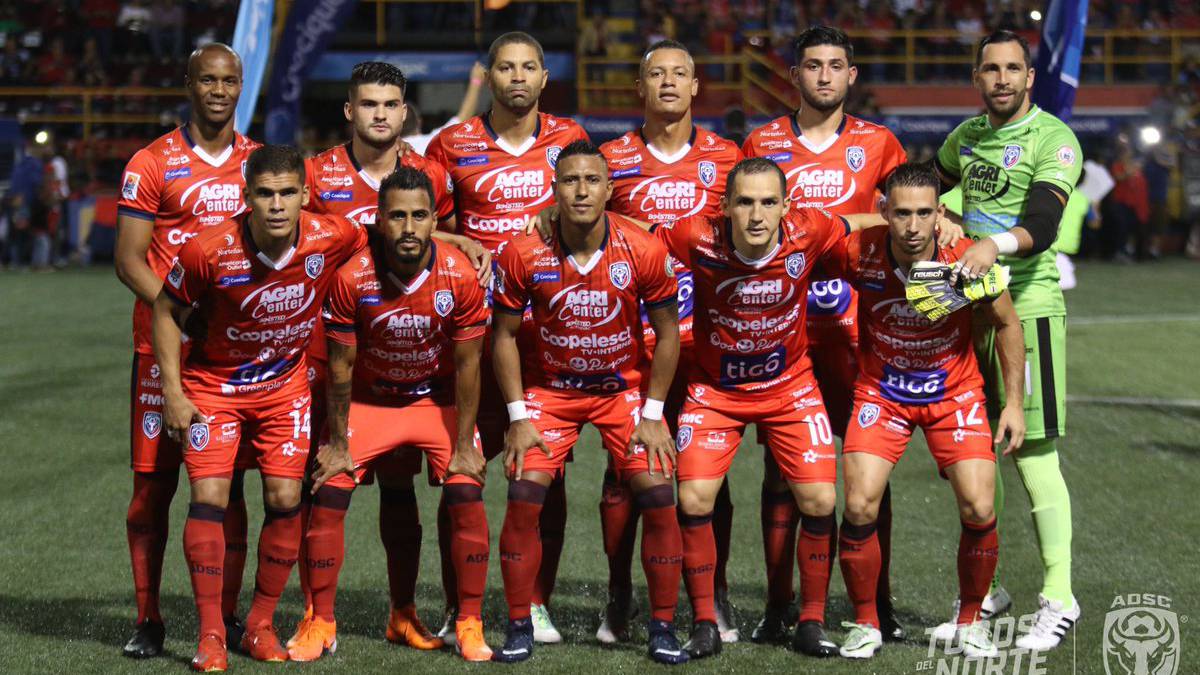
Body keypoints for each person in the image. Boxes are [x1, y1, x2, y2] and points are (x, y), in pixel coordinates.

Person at [291, 61, 491, 658]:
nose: (380, 113)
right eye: (368, 104)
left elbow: (440, 241)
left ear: (404, 112)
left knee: (402, 488)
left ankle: (405, 611)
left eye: (391, 104)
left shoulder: (429, 173)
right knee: (318, 485)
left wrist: (460, 242)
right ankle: (314, 615)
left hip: (410, 360)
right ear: (350, 111)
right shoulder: (316, 173)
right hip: (324, 355)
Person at [656, 158, 893, 659]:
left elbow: (862, 221)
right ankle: (703, 622)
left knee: (821, 502)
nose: (757, 214)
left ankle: (809, 621)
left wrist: (922, 221)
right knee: (695, 499)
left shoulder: (810, 229)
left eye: (768, 202)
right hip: (715, 390)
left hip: (789, 388)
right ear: (724, 207)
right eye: (744, 202)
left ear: (787, 206)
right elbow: (633, 236)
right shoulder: (694, 235)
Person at [152, 144, 366, 671]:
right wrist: (174, 394)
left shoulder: (330, 235)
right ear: (247, 197)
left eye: (287, 193)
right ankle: (211, 636)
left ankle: (260, 624)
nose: (276, 204)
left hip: (284, 387)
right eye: (265, 194)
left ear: (305, 195)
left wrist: (453, 239)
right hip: (214, 387)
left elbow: (383, 237)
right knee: (209, 497)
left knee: (285, 497)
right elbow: (163, 309)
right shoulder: (210, 249)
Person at [491, 140, 688, 665]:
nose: (581, 190)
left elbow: (667, 335)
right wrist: (517, 417)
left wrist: (652, 415)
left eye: (592, 180)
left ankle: (662, 626)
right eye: (570, 181)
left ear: (609, 189)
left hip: (621, 393)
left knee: (658, 495)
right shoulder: (522, 252)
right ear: (553, 189)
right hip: (550, 393)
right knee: (523, 493)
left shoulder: (642, 248)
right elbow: (503, 337)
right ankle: (519, 622)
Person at [741, 25, 908, 645]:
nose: (824, 76)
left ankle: (877, 602)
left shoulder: (880, 144)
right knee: (781, 474)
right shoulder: (761, 142)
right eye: (813, 65)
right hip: (782, 334)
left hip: (859, 333)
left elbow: (902, 220)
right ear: (795, 75)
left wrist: (827, 224)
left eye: (837, 65)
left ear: (852, 75)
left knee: (867, 475)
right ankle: (780, 604)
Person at [425, 31, 590, 643]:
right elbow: (428, 226)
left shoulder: (570, 139)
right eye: (505, 67)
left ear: (545, 78)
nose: (517, 77)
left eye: (528, 68)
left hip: (545, 337)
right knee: (460, 472)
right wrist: (459, 242)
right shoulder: (451, 144)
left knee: (546, 477)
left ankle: (536, 601)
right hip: (469, 335)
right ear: (488, 76)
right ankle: (455, 605)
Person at [826, 163, 1025, 659]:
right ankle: (866, 622)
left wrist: (1015, 404)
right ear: (883, 214)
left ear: (940, 214)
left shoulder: (964, 260)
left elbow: (1007, 324)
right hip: (882, 396)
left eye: (923, 213)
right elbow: (810, 247)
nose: (912, 227)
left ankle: (971, 621)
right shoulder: (859, 253)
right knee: (857, 506)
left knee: (980, 507)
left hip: (953, 395)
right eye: (900, 214)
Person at [935, 29, 1084, 651]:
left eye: (1012, 69)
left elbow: (1046, 224)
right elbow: (929, 180)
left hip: (1031, 308)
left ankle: (1060, 596)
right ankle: (986, 589)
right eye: (990, 68)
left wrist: (992, 242)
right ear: (978, 77)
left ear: (1029, 77)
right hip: (970, 312)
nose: (1001, 78)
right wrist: (938, 210)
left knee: (1032, 453)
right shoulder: (966, 138)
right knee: (971, 453)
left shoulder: (1055, 139)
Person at [113, 43, 259, 660]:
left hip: (236, 360)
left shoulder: (261, 164)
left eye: (228, 81)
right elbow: (127, 259)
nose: (218, 91)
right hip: (162, 351)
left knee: (228, 491)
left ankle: (222, 617)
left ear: (240, 85)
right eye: (207, 80)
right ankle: (148, 617)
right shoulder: (152, 162)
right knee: (154, 488)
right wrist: (183, 309)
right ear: (189, 84)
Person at [595, 39, 743, 647]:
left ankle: (716, 591)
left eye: (680, 74)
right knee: (626, 473)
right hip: (632, 344)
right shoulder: (612, 157)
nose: (668, 84)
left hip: (707, 343)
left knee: (710, 476)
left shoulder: (728, 158)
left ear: (695, 87)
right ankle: (619, 593)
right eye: (656, 74)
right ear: (640, 87)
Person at [402, 61, 488, 155]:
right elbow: (464, 116)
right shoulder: (433, 141)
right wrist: (476, 80)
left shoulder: (388, 151)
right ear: (419, 121)